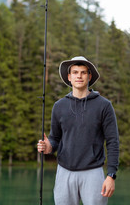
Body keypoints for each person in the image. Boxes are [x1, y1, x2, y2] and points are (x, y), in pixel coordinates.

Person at [37, 56, 120, 205]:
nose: (79, 76)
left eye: (83, 72)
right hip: (64, 172)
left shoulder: (104, 106)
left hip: (93, 172)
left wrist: (111, 175)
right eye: (75, 72)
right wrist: (48, 147)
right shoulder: (59, 106)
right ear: (69, 77)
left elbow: (113, 142)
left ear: (89, 76)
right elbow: (55, 138)